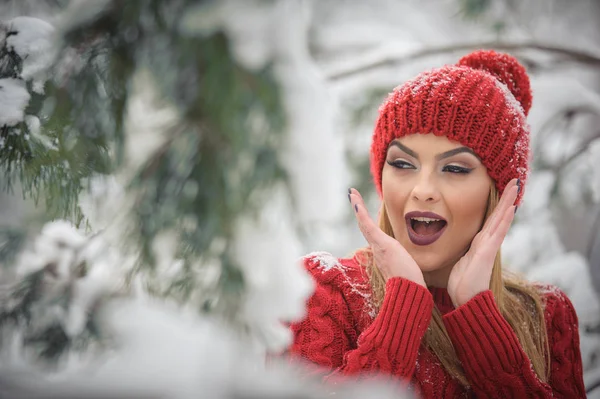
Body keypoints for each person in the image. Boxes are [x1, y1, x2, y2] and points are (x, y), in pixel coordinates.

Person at [288, 50, 586, 398]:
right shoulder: (324, 293)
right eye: (402, 163)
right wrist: (401, 310)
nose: (423, 190)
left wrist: (480, 318)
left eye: (456, 169)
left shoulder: (546, 317)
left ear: (501, 195)